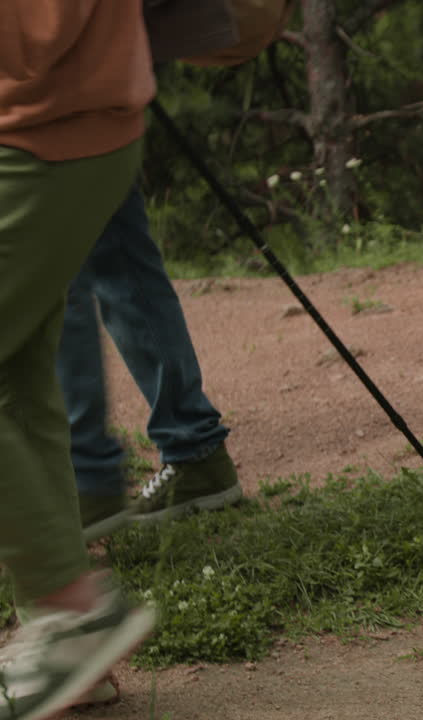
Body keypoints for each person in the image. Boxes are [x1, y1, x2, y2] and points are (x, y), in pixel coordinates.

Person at [0, 3, 159, 718]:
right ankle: (65, 643)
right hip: (48, 127)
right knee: (13, 378)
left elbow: (39, 22)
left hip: (42, 134)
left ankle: (74, 609)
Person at [63, 183, 242, 543]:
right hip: (103, 133)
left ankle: (85, 481)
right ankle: (194, 450)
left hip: (44, 136)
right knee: (118, 254)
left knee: (52, 261)